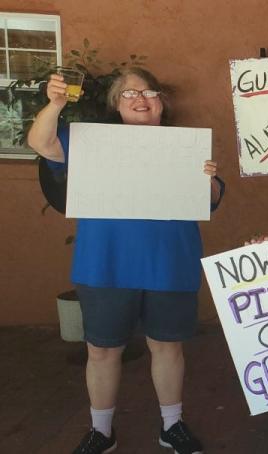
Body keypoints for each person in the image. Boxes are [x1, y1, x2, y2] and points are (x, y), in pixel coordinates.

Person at [27, 67, 223, 454]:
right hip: (105, 262)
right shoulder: (91, 142)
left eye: (149, 92)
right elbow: (41, 142)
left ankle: (172, 425)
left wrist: (208, 179)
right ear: (116, 104)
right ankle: (101, 430)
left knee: (168, 347)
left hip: (170, 261)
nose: (140, 99)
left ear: (161, 103)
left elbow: (212, 199)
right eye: (129, 94)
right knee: (101, 350)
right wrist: (55, 105)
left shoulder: (185, 146)